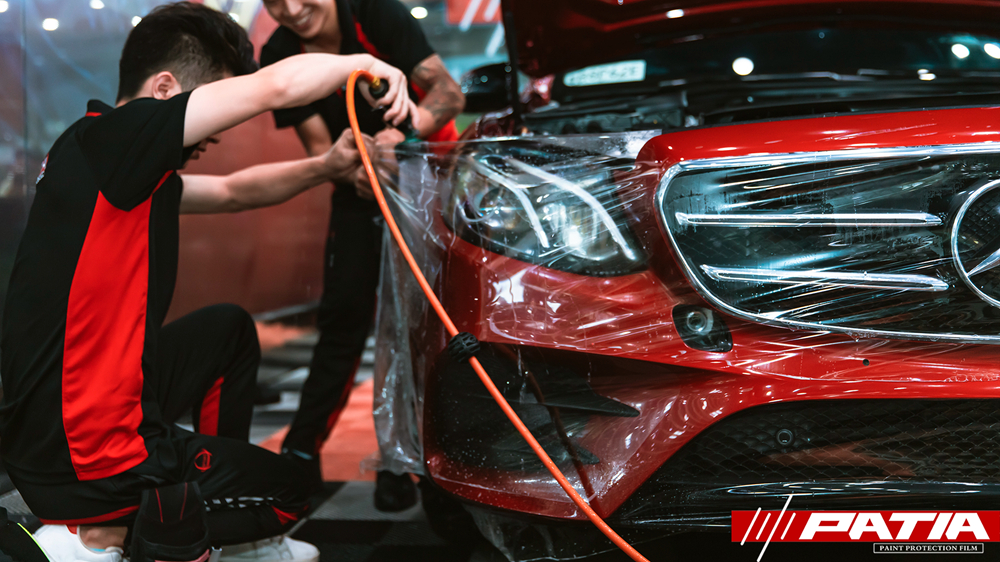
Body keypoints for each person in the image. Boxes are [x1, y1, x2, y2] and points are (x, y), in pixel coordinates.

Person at [0, 3, 412, 562]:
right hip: (83, 453)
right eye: (214, 104)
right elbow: (275, 87)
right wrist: (364, 63)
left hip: (57, 430)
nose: (215, 134)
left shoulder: (111, 162)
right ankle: (93, 536)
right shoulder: (120, 135)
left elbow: (234, 191)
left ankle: (143, 521)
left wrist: (326, 167)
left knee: (228, 330)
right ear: (164, 89)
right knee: (289, 495)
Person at [259, 0, 465, 511]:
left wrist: (406, 131)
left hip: (425, 182)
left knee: (425, 325)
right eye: (273, 0)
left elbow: (448, 92)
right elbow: (319, 147)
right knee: (343, 320)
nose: (291, 9)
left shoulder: (374, 13)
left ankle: (424, 461)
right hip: (356, 187)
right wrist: (355, 171)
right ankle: (300, 454)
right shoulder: (280, 52)